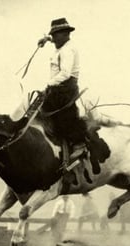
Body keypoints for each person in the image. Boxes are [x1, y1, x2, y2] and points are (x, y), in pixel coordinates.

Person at [33, 18, 91, 162]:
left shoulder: (67, 50)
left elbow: (65, 73)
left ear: (65, 34)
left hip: (65, 88)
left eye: (55, 35)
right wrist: (46, 39)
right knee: (39, 110)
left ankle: (80, 145)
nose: (53, 38)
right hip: (57, 87)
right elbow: (53, 40)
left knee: (62, 115)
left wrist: (48, 86)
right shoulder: (61, 45)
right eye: (52, 35)